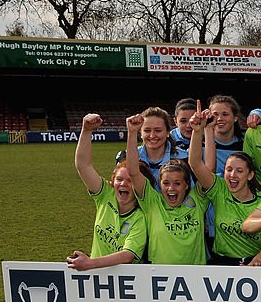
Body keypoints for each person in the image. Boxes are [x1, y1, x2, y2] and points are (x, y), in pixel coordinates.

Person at [187, 103, 261, 266]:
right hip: (221, 264)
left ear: (250, 175)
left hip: (255, 265)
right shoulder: (219, 189)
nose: (232, 175)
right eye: (229, 169)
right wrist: (198, 132)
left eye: (239, 171)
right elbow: (195, 163)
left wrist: (257, 260)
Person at [126, 109, 209, 265]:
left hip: (196, 274)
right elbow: (133, 172)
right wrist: (131, 133)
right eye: (166, 183)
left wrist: (198, 132)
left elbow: (199, 166)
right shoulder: (153, 202)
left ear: (187, 184)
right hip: (154, 257)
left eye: (177, 183)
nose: (171, 188)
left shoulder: (196, 201)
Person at [67, 113, 147, 270]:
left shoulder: (141, 216)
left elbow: (127, 255)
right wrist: (86, 130)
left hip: (128, 282)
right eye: (119, 179)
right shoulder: (105, 195)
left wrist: (90, 263)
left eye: (130, 180)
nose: (123, 184)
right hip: (98, 278)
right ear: (112, 182)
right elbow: (83, 165)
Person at [136, 103, 188, 187]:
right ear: (140, 133)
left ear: (168, 132)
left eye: (158, 130)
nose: (152, 135)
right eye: (147, 130)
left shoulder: (184, 157)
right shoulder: (129, 156)